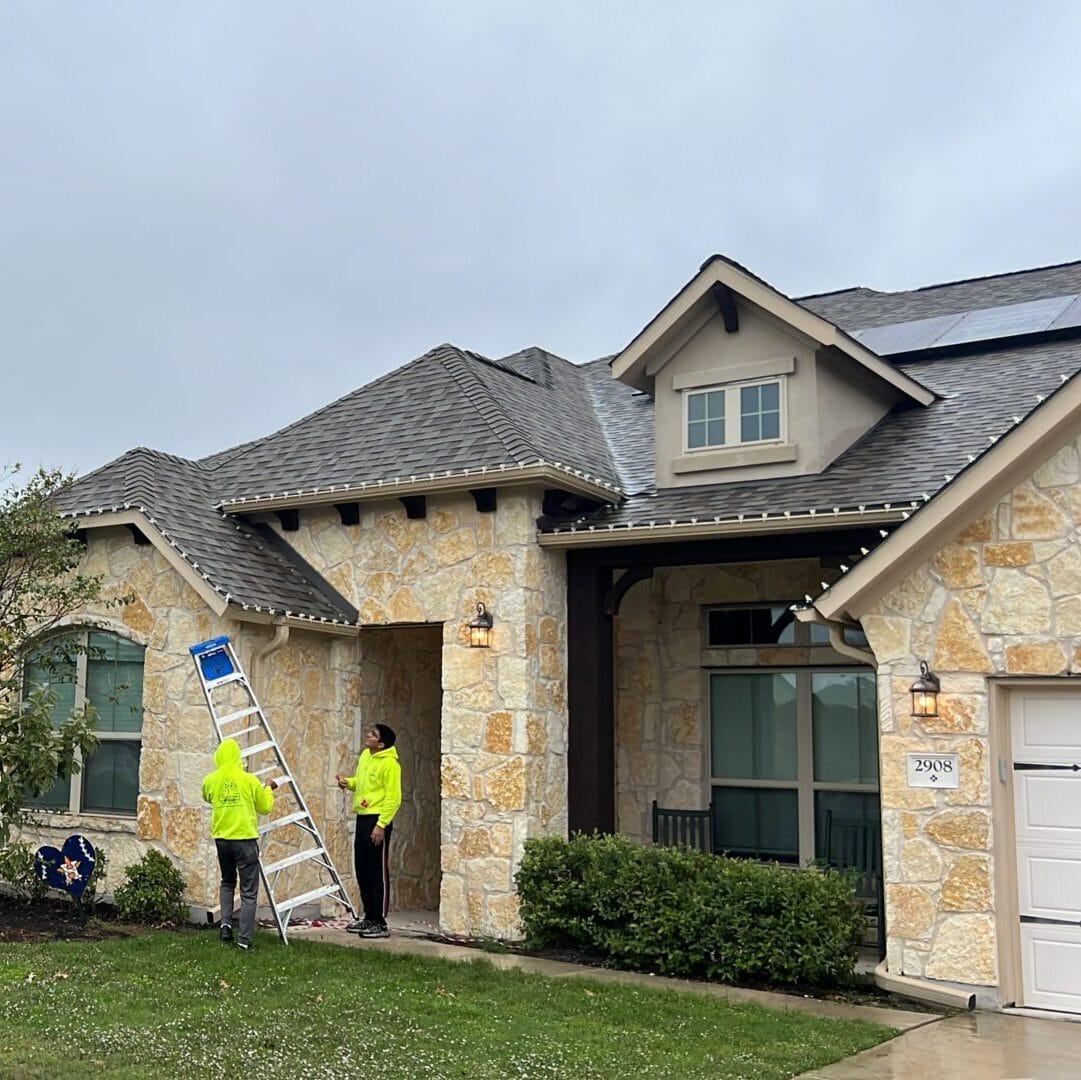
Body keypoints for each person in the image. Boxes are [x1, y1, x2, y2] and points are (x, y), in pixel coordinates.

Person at [201, 736, 277, 951]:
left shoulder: (211, 780)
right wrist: (269, 788)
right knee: (248, 891)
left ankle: (225, 925)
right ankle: (244, 940)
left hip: (222, 840)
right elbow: (265, 808)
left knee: (227, 882)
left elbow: (207, 797)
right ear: (238, 757)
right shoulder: (250, 781)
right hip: (244, 840)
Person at [335, 723, 401, 938]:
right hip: (363, 818)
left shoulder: (390, 765)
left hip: (377, 820)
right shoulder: (366, 756)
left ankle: (380, 921)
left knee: (376, 871)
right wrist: (349, 783)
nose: (368, 736)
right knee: (362, 868)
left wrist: (381, 825)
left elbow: (393, 797)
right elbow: (363, 783)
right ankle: (368, 917)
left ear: (381, 744)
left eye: (373, 735)